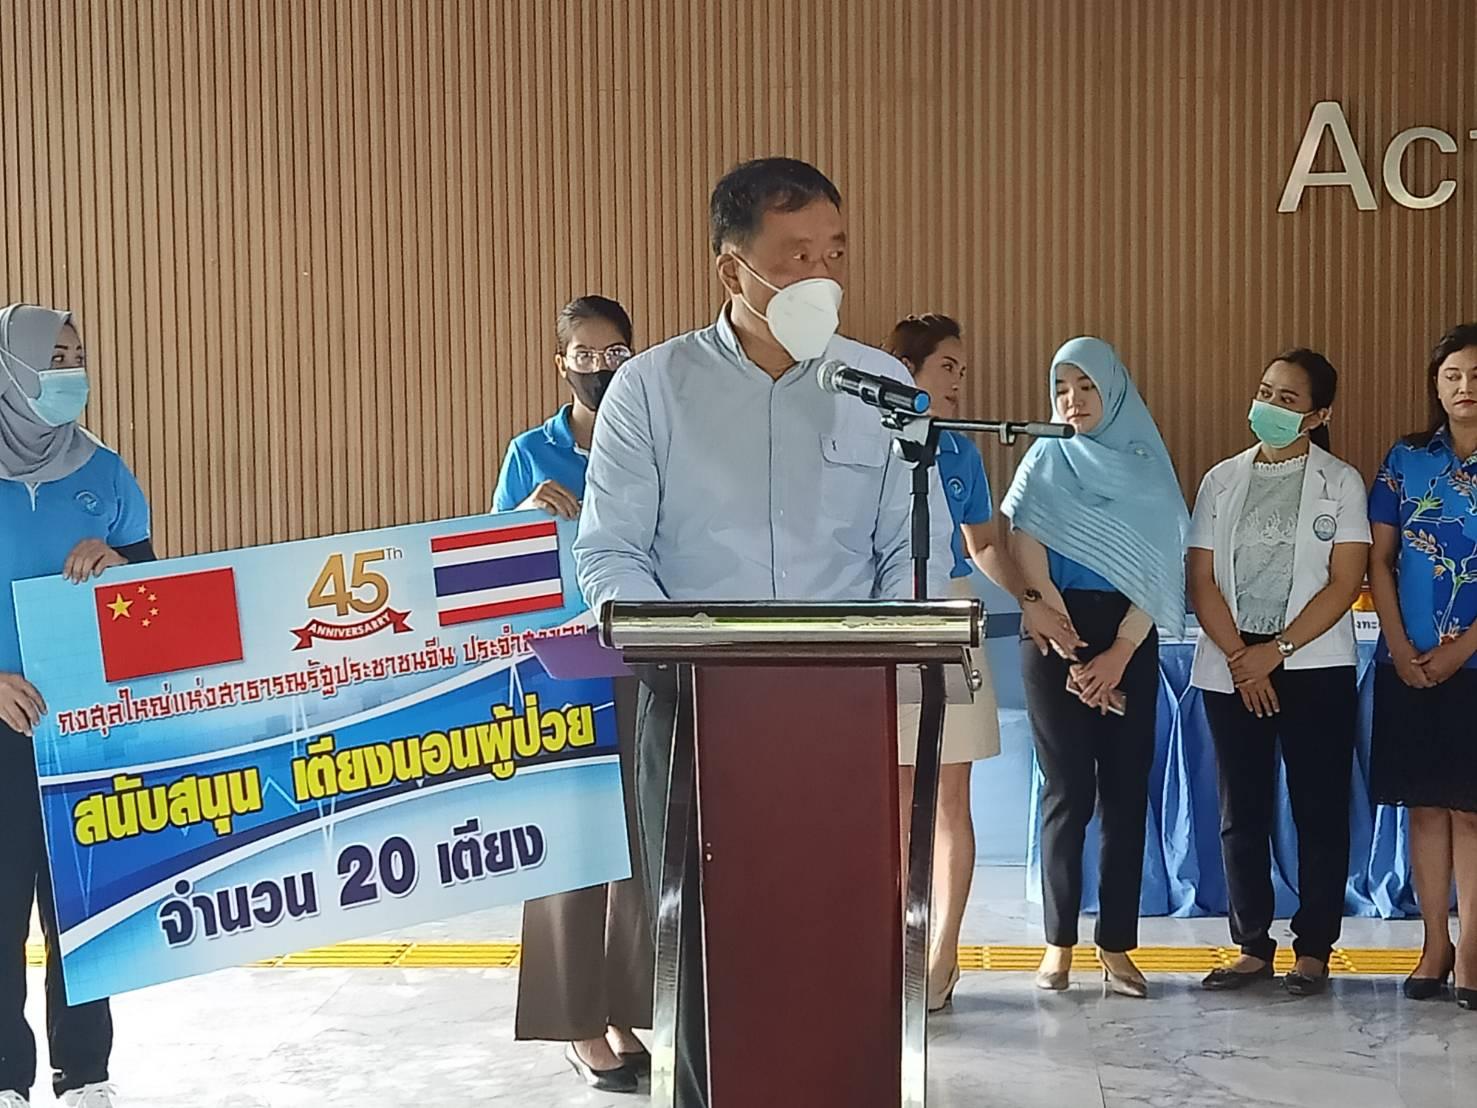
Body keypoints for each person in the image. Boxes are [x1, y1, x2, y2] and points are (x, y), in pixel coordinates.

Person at [573, 157, 953, 1107]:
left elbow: (913, 546)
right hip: (692, 707)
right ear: (731, 270)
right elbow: (610, 552)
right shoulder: (652, 388)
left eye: (834, 254)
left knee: (836, 930)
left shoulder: (879, 386)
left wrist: (896, 634)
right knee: (707, 943)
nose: (821, 276)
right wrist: (674, 644)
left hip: (841, 711)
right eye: (795, 257)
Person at [884, 314, 1080, 1012]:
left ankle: (942, 956)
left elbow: (985, 545)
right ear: (904, 371)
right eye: (946, 367)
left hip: (947, 619)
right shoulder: (862, 445)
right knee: (889, 804)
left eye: (961, 370)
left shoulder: (960, 453)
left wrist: (1032, 601)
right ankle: (892, 949)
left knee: (948, 799)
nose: (958, 382)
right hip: (879, 626)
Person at [492, 295, 653, 1092]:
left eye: (613, 352)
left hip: (643, 656)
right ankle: (576, 1022)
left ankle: (619, 1006)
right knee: (569, 844)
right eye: (584, 355)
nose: (599, 368)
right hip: (559, 667)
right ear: (561, 364)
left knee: (637, 845)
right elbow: (487, 567)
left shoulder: (654, 442)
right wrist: (523, 518)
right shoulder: (531, 451)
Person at [0, 304, 155, 1108]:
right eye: (51, 358)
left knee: (85, 911)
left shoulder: (104, 472)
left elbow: (154, 594)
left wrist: (119, 562)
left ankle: (85, 1075)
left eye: (75, 355)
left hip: (86, 732)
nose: (68, 372)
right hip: (0, 729)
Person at [1002, 336, 1187, 1000]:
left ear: (1113, 391)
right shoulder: (1044, 457)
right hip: (1054, 630)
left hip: (1128, 638)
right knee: (1067, 791)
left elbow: (1161, 565)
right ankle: (1057, 941)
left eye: (1085, 387)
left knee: (1124, 794)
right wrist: (1069, 649)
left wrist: (1116, 655)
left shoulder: (1146, 464)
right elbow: (1024, 550)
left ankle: (1116, 945)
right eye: (1061, 388)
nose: (1071, 400)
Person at [1186, 349, 1370, 997]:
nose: (1269, 406)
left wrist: (1278, 649)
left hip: (1313, 666)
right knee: (1242, 811)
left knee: (1318, 809)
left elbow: (1345, 581)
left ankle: (1313, 949)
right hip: (1233, 665)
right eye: (1265, 392)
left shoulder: (1341, 483)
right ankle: (1251, 946)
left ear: (1318, 415)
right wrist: (1244, 657)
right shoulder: (1220, 480)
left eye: (1288, 399)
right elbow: (1201, 579)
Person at [1368, 322, 1477, 1011]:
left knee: (1471, 813)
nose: (1465, 387)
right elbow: (1378, 560)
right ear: (1435, 386)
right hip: (1405, 661)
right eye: (1452, 375)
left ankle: (1473, 953)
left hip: (1473, 664)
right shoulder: (1405, 459)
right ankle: (1434, 945)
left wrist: (1462, 647)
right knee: (1425, 810)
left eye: (1476, 375)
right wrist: (1400, 646)